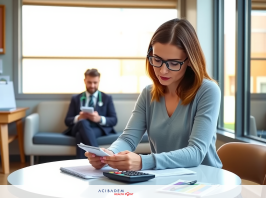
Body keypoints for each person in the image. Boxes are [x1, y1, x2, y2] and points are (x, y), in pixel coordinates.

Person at [85, 18, 223, 171]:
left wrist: (143, 162)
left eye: (174, 63)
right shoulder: (148, 93)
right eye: (157, 59)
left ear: (190, 61)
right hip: (165, 181)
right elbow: (128, 139)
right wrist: (109, 154)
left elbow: (196, 153)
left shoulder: (208, 91)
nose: (163, 70)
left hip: (205, 182)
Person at [63, 68, 117, 159]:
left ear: (99, 81)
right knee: (82, 123)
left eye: (95, 83)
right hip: (78, 126)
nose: (92, 85)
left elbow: (114, 120)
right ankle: (99, 156)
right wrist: (79, 118)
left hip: (98, 128)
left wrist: (99, 119)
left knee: (80, 135)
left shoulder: (106, 98)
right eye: (89, 82)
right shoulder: (76, 98)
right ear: (85, 81)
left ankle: (80, 165)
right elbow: (67, 121)